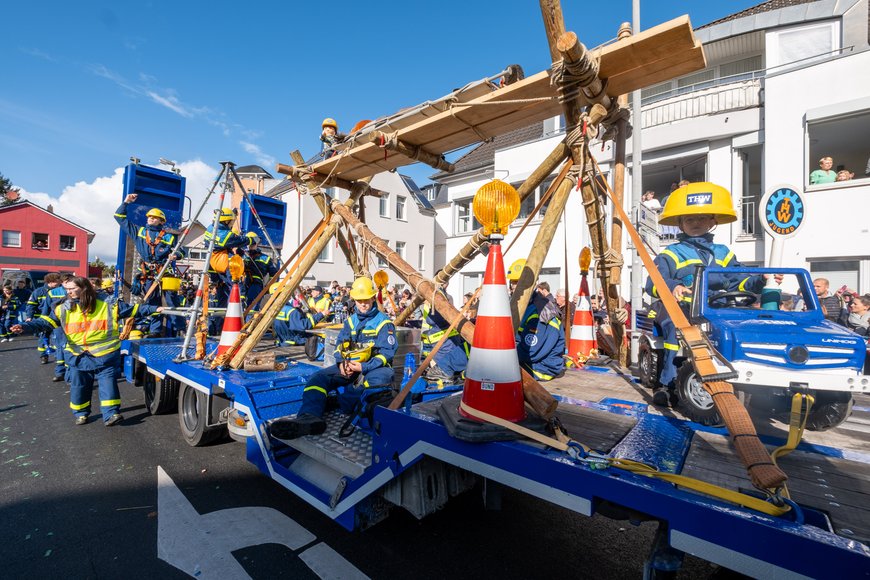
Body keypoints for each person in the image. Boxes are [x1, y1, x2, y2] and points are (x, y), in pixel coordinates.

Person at [645, 181, 781, 406]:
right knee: (673, 332)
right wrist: (674, 287)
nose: (695, 223)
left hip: (717, 311)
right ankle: (666, 384)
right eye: (689, 219)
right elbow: (653, 283)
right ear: (680, 224)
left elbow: (740, 279)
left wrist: (761, 280)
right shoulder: (671, 253)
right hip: (681, 310)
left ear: (712, 221)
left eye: (701, 218)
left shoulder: (723, 253)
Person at [11, 277, 161, 426]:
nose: (68, 292)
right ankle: (81, 413)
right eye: (67, 289)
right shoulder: (63, 308)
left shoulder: (108, 304)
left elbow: (135, 309)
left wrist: (156, 309)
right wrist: (24, 327)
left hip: (105, 355)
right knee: (79, 386)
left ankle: (111, 414)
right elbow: (45, 323)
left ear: (84, 288)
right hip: (78, 355)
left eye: (72, 289)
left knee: (108, 384)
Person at [269, 277, 397, 439]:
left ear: (373, 298)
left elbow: (387, 353)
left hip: (375, 367)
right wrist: (342, 363)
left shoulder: (384, 323)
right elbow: (340, 345)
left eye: (366, 300)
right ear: (354, 300)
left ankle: (341, 403)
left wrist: (363, 367)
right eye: (359, 300)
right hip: (350, 365)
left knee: (374, 383)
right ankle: (309, 418)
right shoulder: (351, 321)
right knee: (318, 379)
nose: (363, 304)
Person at [114, 194, 185, 337]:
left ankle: (180, 328)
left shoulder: (168, 236)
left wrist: (175, 255)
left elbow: (182, 252)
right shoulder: (139, 232)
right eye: (149, 217)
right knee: (153, 302)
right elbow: (119, 217)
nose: (150, 219)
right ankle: (155, 330)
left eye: (154, 217)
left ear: (161, 221)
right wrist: (126, 202)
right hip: (148, 273)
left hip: (165, 271)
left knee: (172, 300)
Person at [507, 259, 566, 381]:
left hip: (541, 367)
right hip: (528, 359)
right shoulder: (521, 306)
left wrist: (499, 352)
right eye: (513, 282)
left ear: (533, 285)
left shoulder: (541, 311)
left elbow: (531, 352)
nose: (515, 287)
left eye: (520, 282)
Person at [203, 208, 253, 311]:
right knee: (235, 281)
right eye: (232, 222)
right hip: (223, 261)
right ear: (226, 221)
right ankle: (237, 307)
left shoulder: (210, 228)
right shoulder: (226, 235)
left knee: (223, 293)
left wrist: (233, 215)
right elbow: (239, 240)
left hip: (212, 260)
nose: (232, 224)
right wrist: (251, 240)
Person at [419, 289, 469, 383]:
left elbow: (433, 320)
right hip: (437, 349)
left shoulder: (440, 311)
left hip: (443, 350)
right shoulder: (432, 309)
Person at [244, 233, 278, 311]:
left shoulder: (265, 258)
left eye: (253, 243)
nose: (251, 245)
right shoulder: (242, 256)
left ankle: (250, 322)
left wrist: (268, 287)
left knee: (253, 306)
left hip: (256, 285)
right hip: (242, 283)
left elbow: (274, 275)